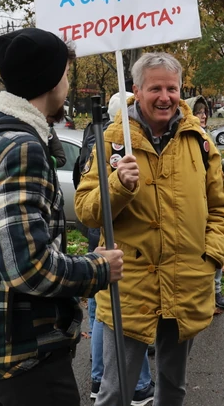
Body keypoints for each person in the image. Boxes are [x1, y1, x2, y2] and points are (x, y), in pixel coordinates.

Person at [0, 27, 124, 406]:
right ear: (51, 79)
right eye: (66, 73)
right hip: (24, 354)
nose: (67, 83)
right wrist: (98, 267)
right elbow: (27, 267)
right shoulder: (21, 148)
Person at [76, 52, 224, 406]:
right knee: (116, 392)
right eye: (155, 88)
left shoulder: (200, 141)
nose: (165, 96)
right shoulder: (111, 141)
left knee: (172, 388)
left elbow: (221, 207)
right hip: (131, 288)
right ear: (136, 90)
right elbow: (86, 211)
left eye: (172, 88)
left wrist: (210, 256)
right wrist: (118, 185)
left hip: (186, 281)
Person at [73, 91, 155, 404]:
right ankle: (133, 384)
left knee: (100, 311)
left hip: (109, 239)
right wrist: (119, 182)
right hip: (110, 237)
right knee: (112, 314)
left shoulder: (93, 138)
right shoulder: (106, 142)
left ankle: (101, 378)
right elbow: (87, 201)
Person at [189, 95, 224, 311]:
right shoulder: (187, 139)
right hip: (193, 206)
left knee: (214, 246)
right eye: (199, 112)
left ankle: (215, 290)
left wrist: (223, 167)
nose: (204, 115)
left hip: (210, 204)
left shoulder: (207, 137)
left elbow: (210, 168)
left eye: (205, 111)